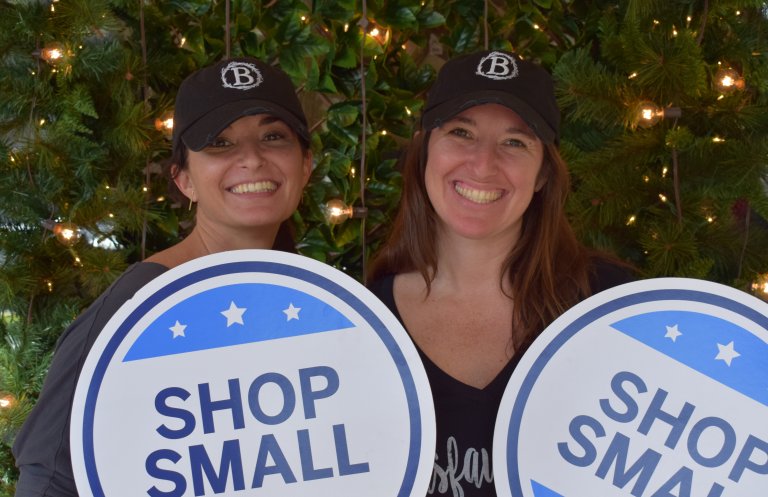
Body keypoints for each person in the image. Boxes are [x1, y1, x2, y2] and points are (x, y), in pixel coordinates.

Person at [12, 56, 313, 497]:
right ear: (184, 179)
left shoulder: (306, 299)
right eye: (219, 142)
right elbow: (49, 475)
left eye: (273, 136)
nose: (251, 157)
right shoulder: (140, 301)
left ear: (305, 164)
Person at [368, 50, 633, 497]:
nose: (483, 164)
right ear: (425, 149)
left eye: (515, 142)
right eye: (460, 132)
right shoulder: (369, 319)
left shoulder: (610, 307)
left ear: (544, 172)